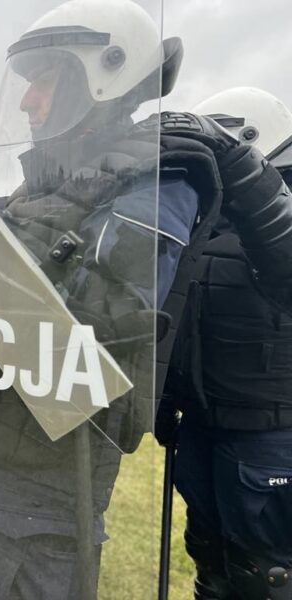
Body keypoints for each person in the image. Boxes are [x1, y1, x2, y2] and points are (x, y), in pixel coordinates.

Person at [0, 0, 233, 597]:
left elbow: (97, 314)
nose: (25, 101)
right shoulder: (50, 180)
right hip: (4, 439)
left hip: (58, 457)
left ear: (102, 75)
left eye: (42, 81)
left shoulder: (161, 181)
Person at [160, 86, 292, 600]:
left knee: (267, 579)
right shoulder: (207, 219)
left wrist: (235, 160)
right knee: (210, 565)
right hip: (203, 428)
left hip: (269, 441)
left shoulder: (275, 221)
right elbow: (182, 319)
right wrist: (169, 398)